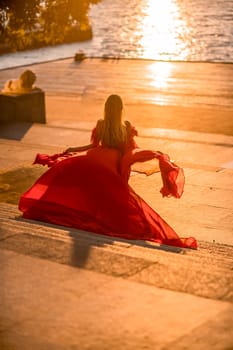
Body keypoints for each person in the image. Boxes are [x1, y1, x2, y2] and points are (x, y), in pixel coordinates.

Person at [19, 94, 197, 249]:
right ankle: (116, 221)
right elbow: (129, 150)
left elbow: (94, 146)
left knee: (77, 181)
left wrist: (74, 148)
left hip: (93, 157)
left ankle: (54, 207)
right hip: (111, 163)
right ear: (121, 109)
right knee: (117, 196)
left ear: (106, 108)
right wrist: (149, 156)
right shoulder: (126, 126)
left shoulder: (101, 124)